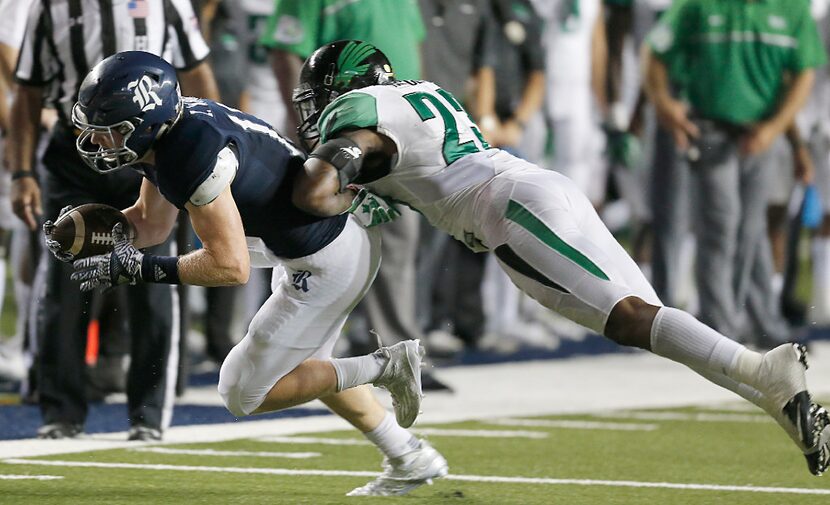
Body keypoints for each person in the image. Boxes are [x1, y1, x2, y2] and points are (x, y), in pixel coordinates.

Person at [290, 39, 830, 476]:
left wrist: (347, 191)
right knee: (650, 319)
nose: (315, 110)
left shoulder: (359, 110)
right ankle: (775, 398)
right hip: (536, 187)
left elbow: (313, 192)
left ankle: (766, 366)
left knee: (630, 320)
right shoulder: (419, 91)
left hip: (507, 208)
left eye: (319, 96)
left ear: (346, 87)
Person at [59, 51, 448, 496]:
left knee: (243, 392)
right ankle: (409, 456)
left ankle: (385, 365)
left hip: (328, 259)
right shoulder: (173, 131)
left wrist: (139, 268)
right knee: (304, 370)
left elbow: (229, 267)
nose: (97, 141)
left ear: (146, 121)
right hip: (307, 244)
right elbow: (151, 223)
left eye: (110, 131)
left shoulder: (189, 152)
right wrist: (96, 235)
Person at [7, 0, 220, 441]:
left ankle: (147, 414)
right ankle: (61, 412)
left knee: (153, 279)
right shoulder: (50, 6)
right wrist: (22, 172)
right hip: (74, 154)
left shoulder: (168, 4)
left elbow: (198, 75)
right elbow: (27, 93)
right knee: (63, 278)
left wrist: (205, 155)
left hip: (147, 153)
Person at [261, 1, 433, 387]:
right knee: (318, 243)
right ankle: (309, 355)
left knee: (399, 244)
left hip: (394, 137)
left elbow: (412, 51)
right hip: (342, 131)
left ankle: (400, 354)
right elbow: (286, 50)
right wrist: (305, 128)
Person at [643, 0, 825, 348]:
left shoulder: (793, 9)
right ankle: (719, 327)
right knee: (721, 223)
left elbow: (800, 76)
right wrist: (665, 107)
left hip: (761, 131)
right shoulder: (698, 5)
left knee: (749, 228)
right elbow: (653, 52)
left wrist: (778, 131)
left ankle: (743, 318)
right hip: (709, 127)